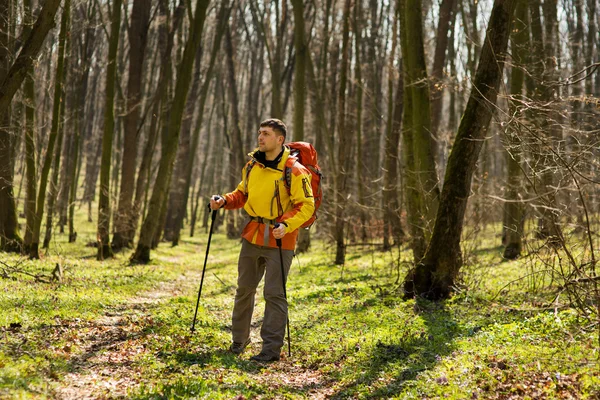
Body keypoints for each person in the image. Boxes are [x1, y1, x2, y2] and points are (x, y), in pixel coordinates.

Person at [210, 118, 315, 362]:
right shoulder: (251, 167)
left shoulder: (295, 170)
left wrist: (286, 224)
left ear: (279, 139)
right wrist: (224, 200)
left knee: (274, 293)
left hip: (281, 239)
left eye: (266, 134)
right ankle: (239, 341)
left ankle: (270, 350)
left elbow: (306, 205)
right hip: (252, 235)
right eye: (259, 132)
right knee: (244, 289)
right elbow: (242, 194)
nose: (260, 137)